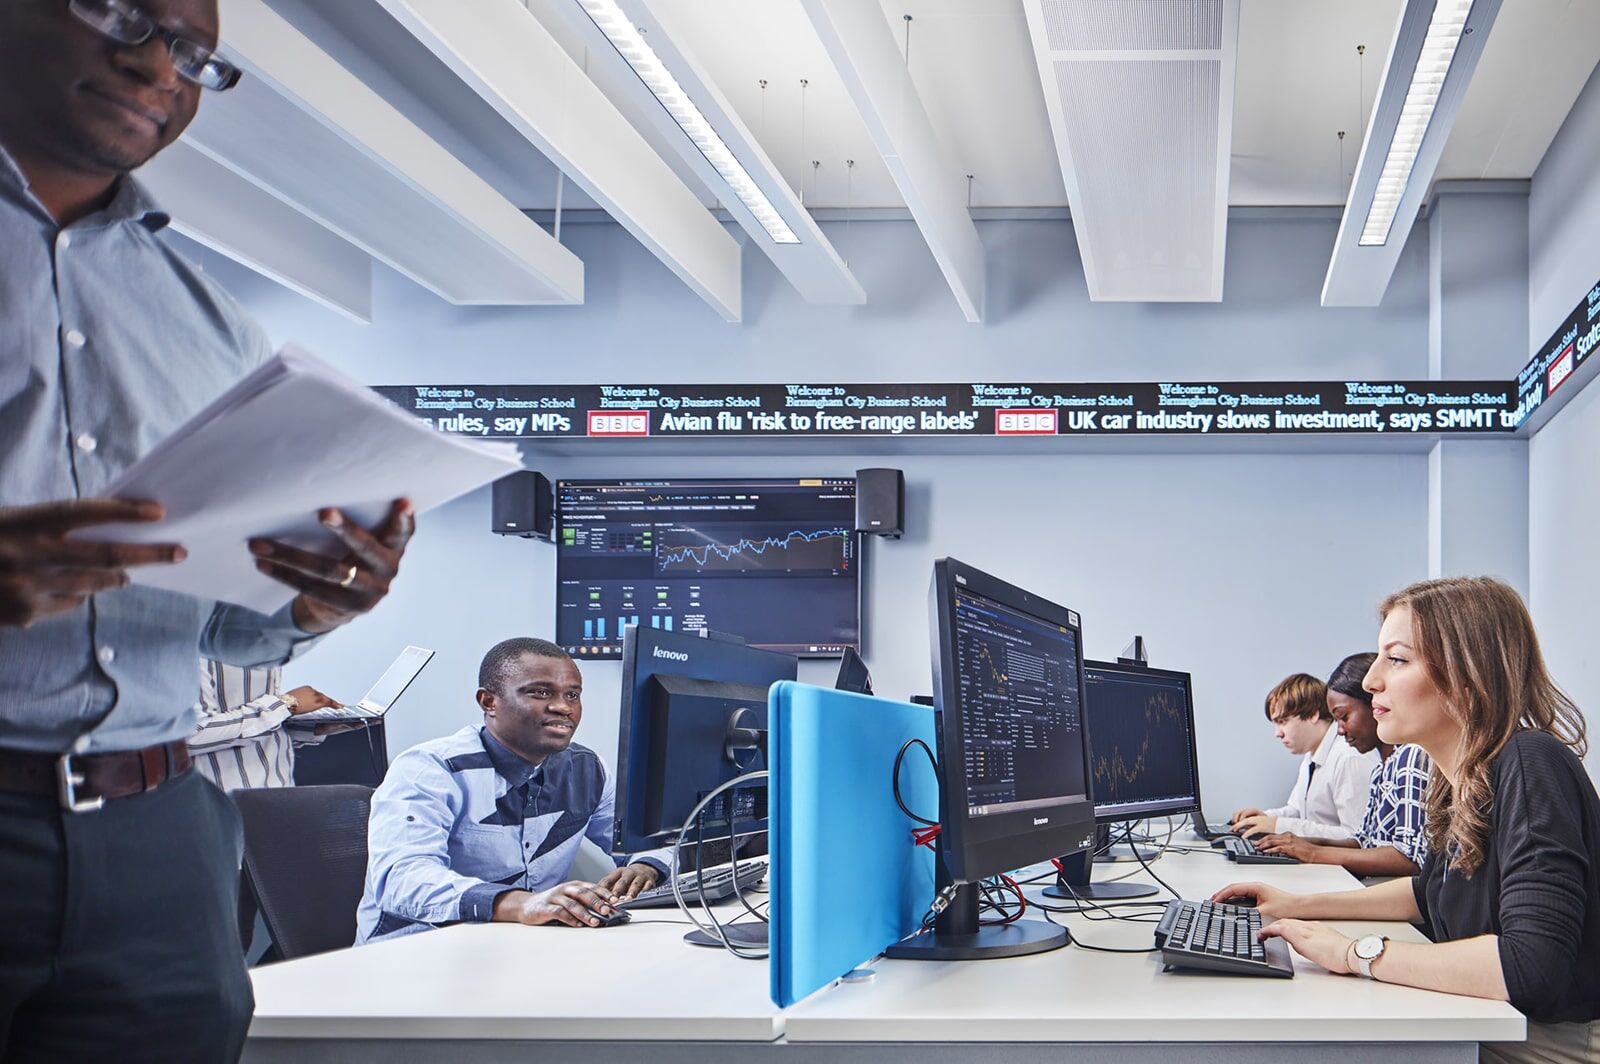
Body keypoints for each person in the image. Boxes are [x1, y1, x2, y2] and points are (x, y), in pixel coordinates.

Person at [0, 1, 414, 1058]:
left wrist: (310, 599)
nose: (155, 64)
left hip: (158, 832)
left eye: (193, 55)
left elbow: (218, 622)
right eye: (119, 12)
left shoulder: (211, 323)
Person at [1214, 577, 1599, 1064]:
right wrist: (1298, 904)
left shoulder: (1529, 760)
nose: (1372, 680)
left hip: (1558, 1039)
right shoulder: (1456, 780)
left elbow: (1530, 967)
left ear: (1468, 673)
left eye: (1396, 659)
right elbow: (1427, 893)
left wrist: (1355, 955)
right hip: (1506, 1016)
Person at [357, 638, 670, 943]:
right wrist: (519, 904)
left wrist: (646, 865)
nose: (563, 707)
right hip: (414, 953)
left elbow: (651, 840)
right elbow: (401, 879)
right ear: (489, 702)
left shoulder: (587, 770)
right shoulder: (430, 769)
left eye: (572, 695)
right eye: (540, 692)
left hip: (519, 949)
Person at [1252, 652, 1432, 876]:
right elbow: (1362, 841)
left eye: (1344, 717)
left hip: (1394, 894)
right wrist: (1296, 843)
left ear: (1375, 706)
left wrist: (1312, 852)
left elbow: (1409, 860)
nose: (1338, 730)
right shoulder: (1382, 768)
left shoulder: (1411, 757)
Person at [1231, 672, 1379, 840]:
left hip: (1341, 866)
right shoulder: (1313, 754)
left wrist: (1278, 826)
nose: (1277, 734)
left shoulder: (1349, 757)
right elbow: (1298, 811)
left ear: (1312, 715)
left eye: (1283, 721)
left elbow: (1356, 835)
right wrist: (1266, 818)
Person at [189, 659, 344, 790]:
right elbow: (191, 735)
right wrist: (285, 704)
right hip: (223, 806)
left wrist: (312, 729)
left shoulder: (268, 639)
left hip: (281, 796)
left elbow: (261, 727)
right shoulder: (191, 645)